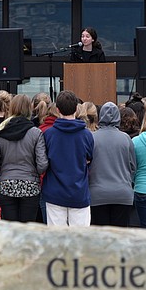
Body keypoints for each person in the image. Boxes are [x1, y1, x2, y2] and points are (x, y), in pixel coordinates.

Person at [0, 94, 47, 224]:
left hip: (6, 183)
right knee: (27, 230)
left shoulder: (0, 131)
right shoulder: (35, 132)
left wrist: (1, 172)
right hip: (30, 185)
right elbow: (42, 164)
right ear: (29, 109)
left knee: (9, 229)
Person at [42, 91, 94, 226]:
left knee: (56, 240)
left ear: (57, 109)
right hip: (79, 192)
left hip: (54, 192)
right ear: (77, 108)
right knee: (80, 241)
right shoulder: (86, 135)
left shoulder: (49, 134)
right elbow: (89, 158)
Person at [89, 102, 137, 227]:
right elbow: (133, 167)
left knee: (100, 238)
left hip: (97, 194)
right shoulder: (126, 138)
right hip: (122, 193)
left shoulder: (92, 138)